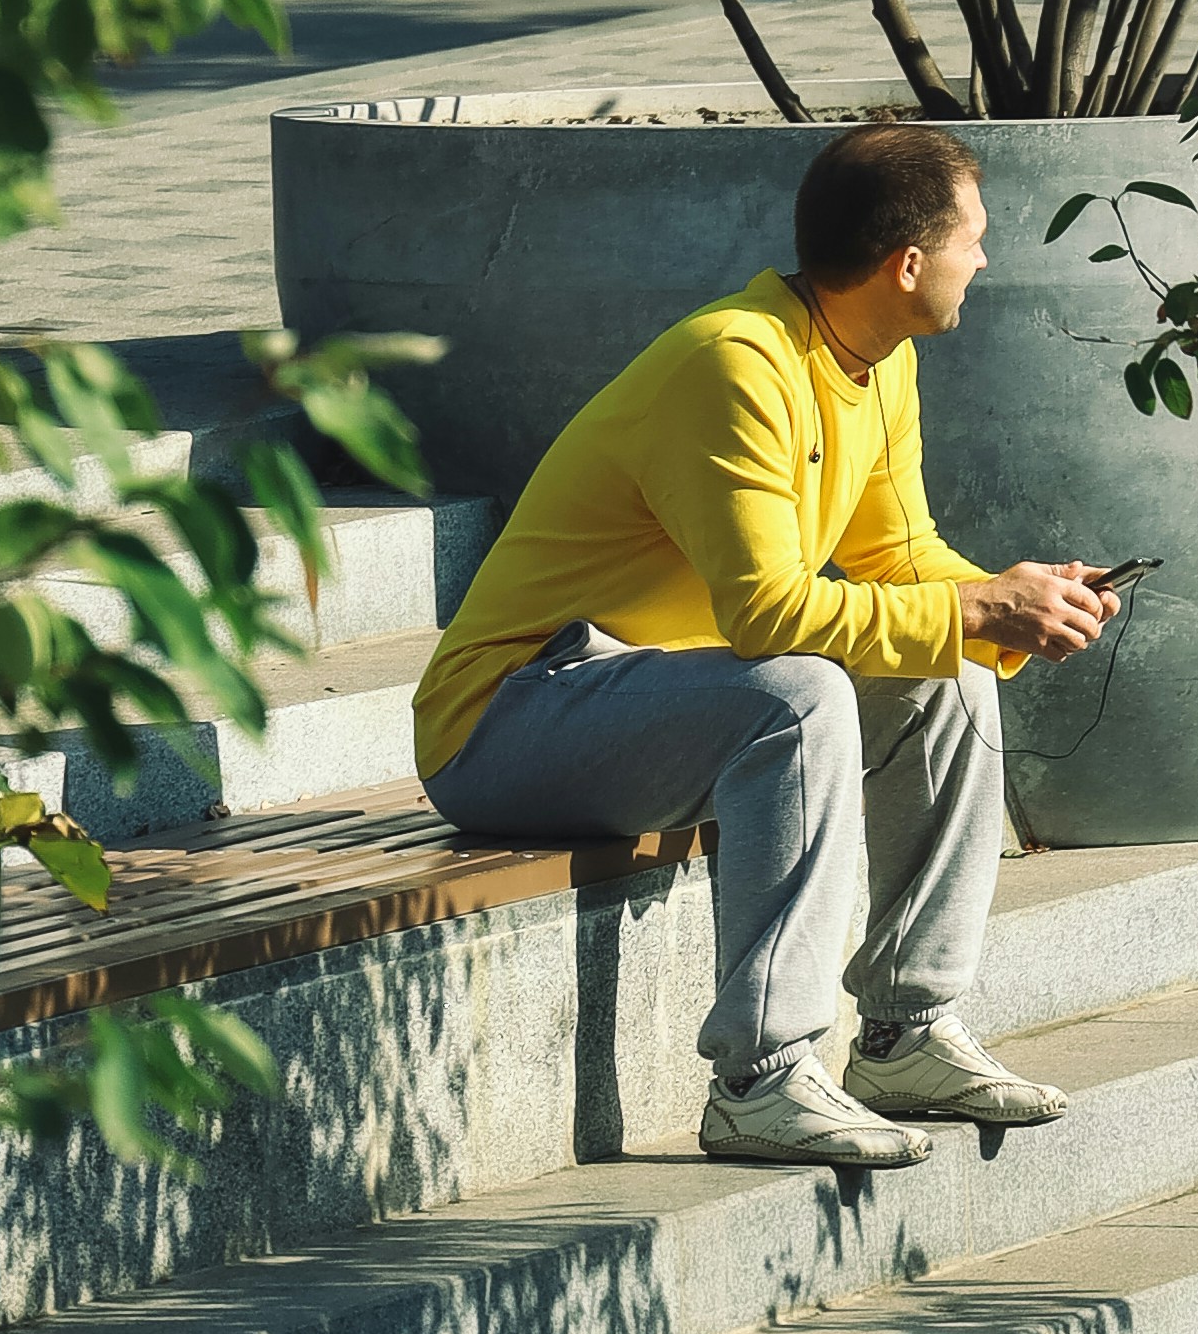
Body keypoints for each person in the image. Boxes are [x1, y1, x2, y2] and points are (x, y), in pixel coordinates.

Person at [411, 121, 1117, 1170]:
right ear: (907, 262)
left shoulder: (874, 359)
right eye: (975, 239)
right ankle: (761, 1077)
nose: (986, 259)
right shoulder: (733, 362)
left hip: (657, 701)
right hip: (512, 716)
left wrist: (1014, 600)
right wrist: (976, 607)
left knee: (949, 667)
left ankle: (904, 1033)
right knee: (798, 693)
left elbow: (899, 555)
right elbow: (768, 617)